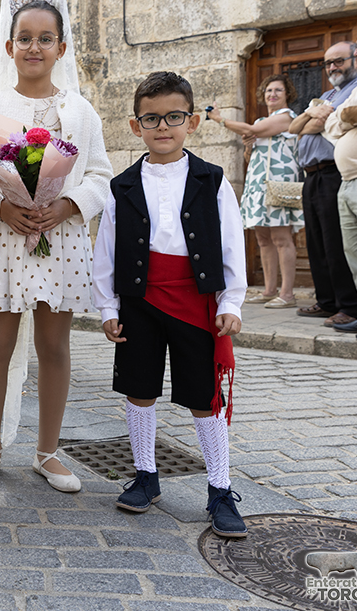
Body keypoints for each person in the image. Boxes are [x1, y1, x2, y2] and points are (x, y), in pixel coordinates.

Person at [0, 0, 112, 491]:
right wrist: (0, 207)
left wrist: (67, 205)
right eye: (24, 38)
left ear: (62, 48)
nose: (34, 47)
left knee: (55, 346)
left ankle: (48, 452)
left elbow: (98, 173)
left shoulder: (79, 111)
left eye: (45, 39)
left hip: (60, 236)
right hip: (4, 235)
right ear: (8, 47)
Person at [92, 71, 248, 539]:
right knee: (140, 390)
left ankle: (219, 489)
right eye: (152, 118)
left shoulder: (212, 180)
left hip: (195, 299)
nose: (164, 126)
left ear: (193, 121)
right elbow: (107, 248)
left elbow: (231, 242)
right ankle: (146, 475)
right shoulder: (121, 186)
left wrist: (232, 300)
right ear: (136, 125)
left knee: (205, 398)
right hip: (139, 299)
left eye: (174, 117)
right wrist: (108, 307)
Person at [288, 42, 357, 326]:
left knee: (337, 242)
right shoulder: (328, 93)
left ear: (354, 59)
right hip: (312, 175)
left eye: (338, 61)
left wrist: (312, 118)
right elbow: (294, 127)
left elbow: (326, 122)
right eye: (328, 63)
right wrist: (312, 117)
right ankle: (326, 301)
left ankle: (350, 305)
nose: (333, 67)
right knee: (317, 242)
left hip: (335, 172)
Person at [209, 74, 302, 307]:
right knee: (262, 238)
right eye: (269, 91)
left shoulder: (286, 117)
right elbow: (251, 158)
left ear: (287, 94)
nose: (272, 94)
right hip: (258, 184)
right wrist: (248, 148)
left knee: (281, 237)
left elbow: (251, 129)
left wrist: (220, 119)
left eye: (278, 90)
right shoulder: (262, 121)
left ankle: (287, 294)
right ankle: (269, 290)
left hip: (280, 183)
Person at [323, 21, 357, 342]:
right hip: (349, 182)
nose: (356, 52)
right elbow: (332, 124)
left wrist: (342, 117)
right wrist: (342, 118)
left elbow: (353, 112)